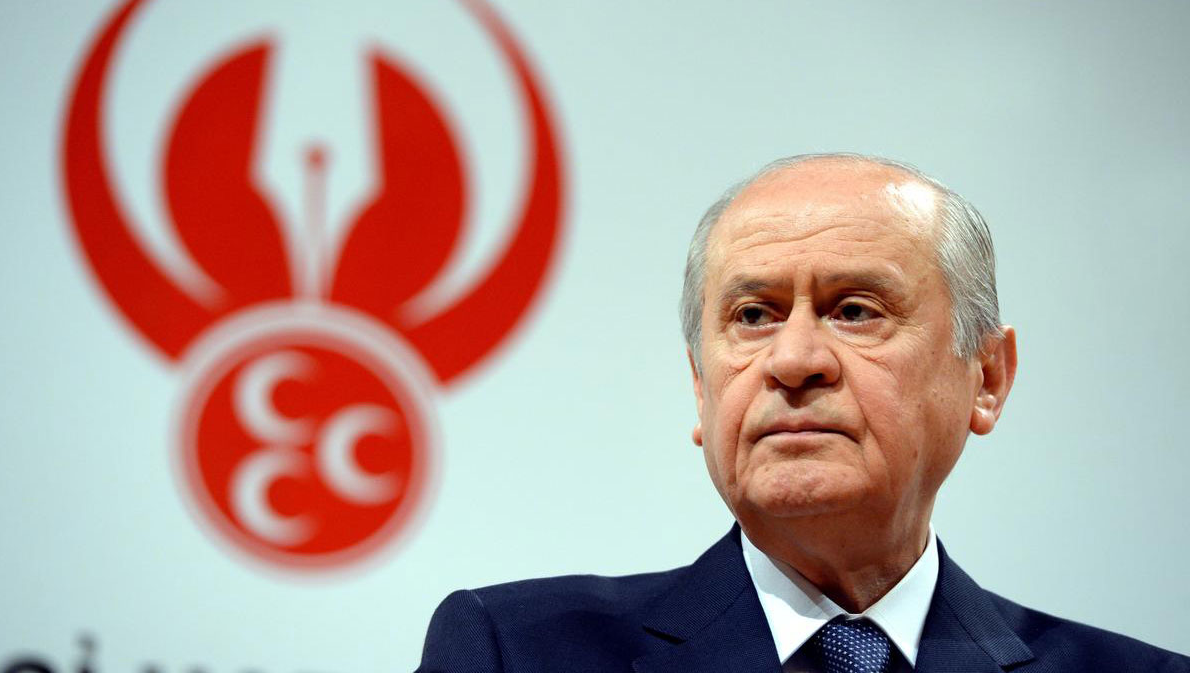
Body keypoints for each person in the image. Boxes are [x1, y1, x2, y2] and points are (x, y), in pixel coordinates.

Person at [414, 154, 1190, 672]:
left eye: (855, 310)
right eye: (753, 315)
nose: (792, 360)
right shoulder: (512, 650)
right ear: (701, 387)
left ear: (987, 376)